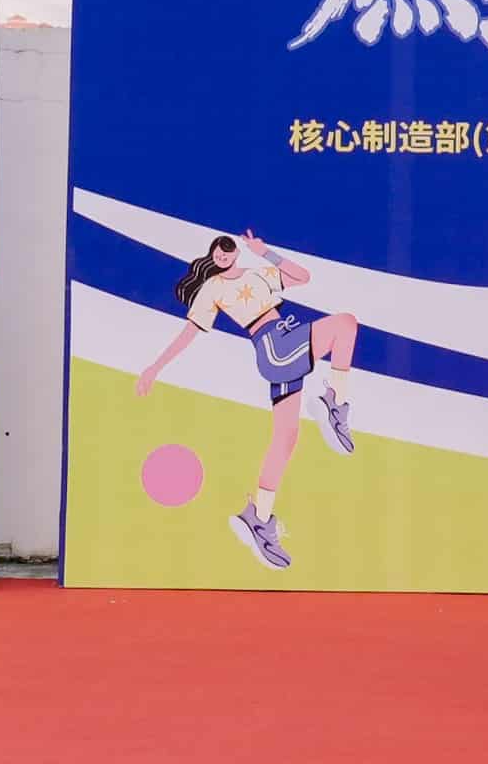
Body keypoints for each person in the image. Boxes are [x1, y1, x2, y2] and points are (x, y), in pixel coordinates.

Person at [134, 232, 360, 573]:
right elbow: (189, 332)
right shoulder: (213, 288)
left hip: (282, 343)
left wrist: (265, 252)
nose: (223, 255)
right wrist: (155, 367)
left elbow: (303, 277)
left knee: (286, 439)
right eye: (218, 252)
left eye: (228, 250)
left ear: (236, 253)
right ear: (212, 255)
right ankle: (335, 403)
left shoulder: (258, 274)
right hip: (274, 346)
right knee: (345, 324)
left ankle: (259, 518)